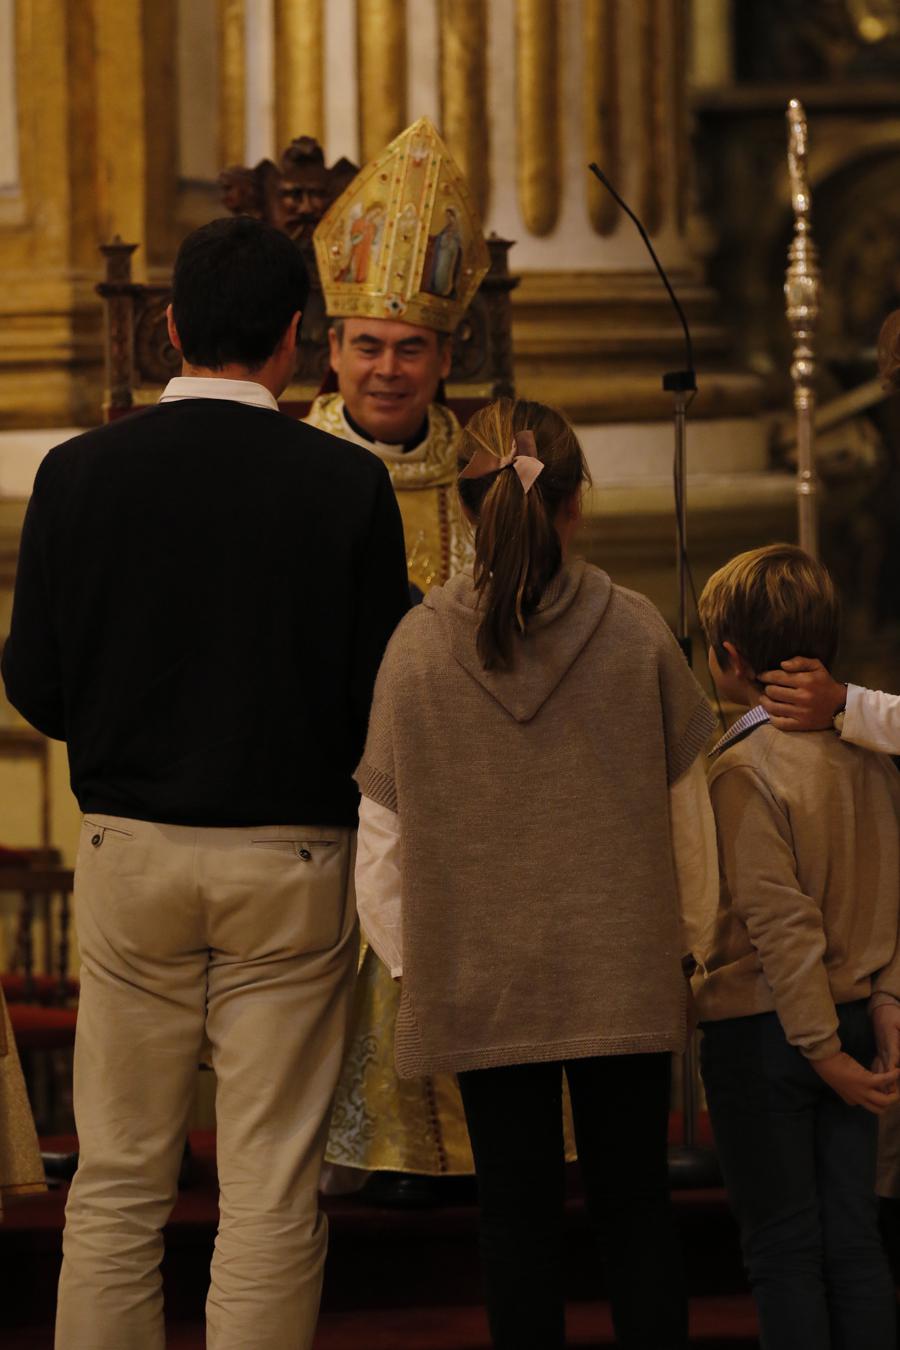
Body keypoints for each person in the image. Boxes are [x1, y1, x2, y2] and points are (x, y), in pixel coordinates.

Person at [1, 215, 409, 1350]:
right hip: (294, 856)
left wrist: (133, 742)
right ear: (296, 339)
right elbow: (390, 691)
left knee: (120, 1177)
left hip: (132, 847)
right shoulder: (343, 485)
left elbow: (32, 679)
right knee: (270, 1185)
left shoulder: (77, 474)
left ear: (167, 329)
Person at [353, 397, 719, 1349]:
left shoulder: (417, 649)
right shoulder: (637, 633)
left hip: (481, 976)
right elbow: (692, 824)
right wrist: (690, 944)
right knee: (636, 1213)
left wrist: (410, 964)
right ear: (577, 502)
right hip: (622, 966)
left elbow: (380, 844)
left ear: (468, 507)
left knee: (513, 1223)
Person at [307, 117, 503, 1199]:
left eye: (412, 346)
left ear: (445, 355)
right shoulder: (288, 475)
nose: (389, 368)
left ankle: (470, 1152)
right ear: (330, 350)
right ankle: (355, 1148)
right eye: (369, 344)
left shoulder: (484, 480)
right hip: (327, 796)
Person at [694, 543, 900, 1350]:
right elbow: (888, 894)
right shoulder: (869, 757)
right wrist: (881, 1004)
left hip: (773, 1034)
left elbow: (783, 930)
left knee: (783, 1250)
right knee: (854, 1243)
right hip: (854, 1024)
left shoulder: (742, 771)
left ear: (730, 657)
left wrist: (818, 1050)